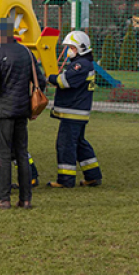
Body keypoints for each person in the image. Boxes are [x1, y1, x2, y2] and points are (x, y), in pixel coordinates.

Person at [0, 19, 45, 210]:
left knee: (2, 154)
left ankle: (3, 198)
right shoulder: (27, 53)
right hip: (22, 109)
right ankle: (26, 199)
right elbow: (40, 81)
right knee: (22, 153)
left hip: (2, 110)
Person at [46, 31, 103, 188]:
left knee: (65, 145)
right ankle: (93, 176)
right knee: (79, 143)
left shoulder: (81, 65)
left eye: (71, 47)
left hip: (73, 112)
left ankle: (65, 180)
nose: (68, 51)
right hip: (78, 112)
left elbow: (63, 81)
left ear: (80, 48)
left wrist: (48, 77)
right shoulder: (84, 63)